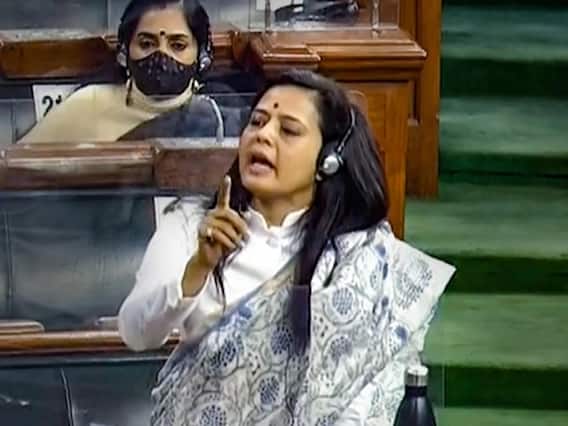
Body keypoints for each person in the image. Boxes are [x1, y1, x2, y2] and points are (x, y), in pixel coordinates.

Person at [118, 69, 455, 425]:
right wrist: (198, 268)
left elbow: (376, 390)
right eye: (257, 122)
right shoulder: (191, 222)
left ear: (328, 160)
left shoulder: (358, 254)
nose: (263, 135)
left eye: (288, 130)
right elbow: (137, 333)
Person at [18, 0, 240, 144]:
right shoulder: (88, 104)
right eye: (146, 44)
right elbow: (17, 172)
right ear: (124, 51)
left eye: (178, 45)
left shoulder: (219, 114)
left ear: (202, 56)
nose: (161, 56)